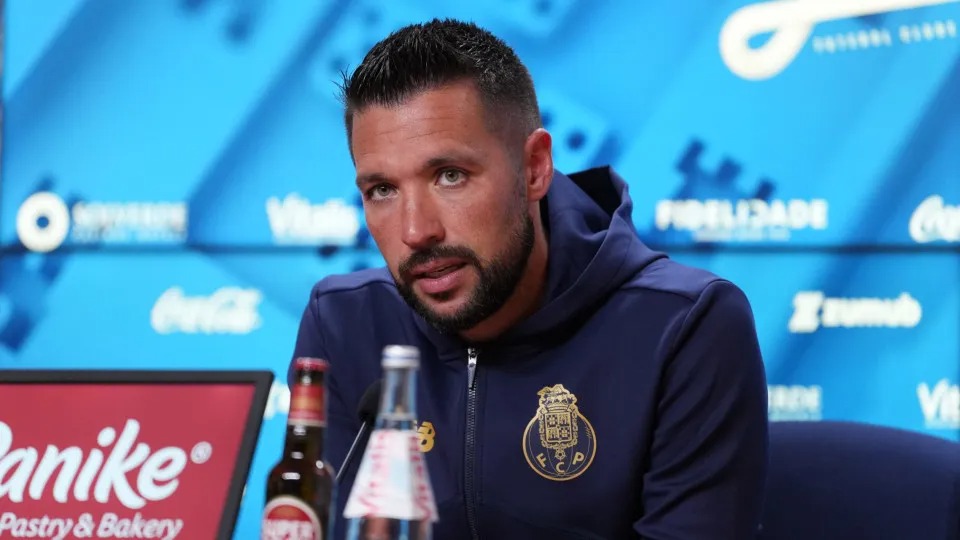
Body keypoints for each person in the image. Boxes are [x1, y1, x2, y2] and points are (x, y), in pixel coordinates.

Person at [290, 18, 768, 540]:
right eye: (382, 190)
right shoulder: (344, 323)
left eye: (450, 176)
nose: (416, 231)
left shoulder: (683, 325)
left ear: (536, 167)